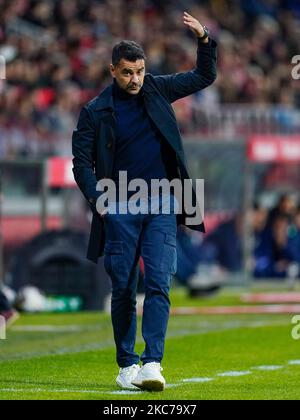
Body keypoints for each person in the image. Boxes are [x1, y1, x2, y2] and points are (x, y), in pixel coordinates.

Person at [72, 12, 217, 392]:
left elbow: (205, 76)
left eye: (139, 71)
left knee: (159, 282)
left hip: (162, 203)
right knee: (123, 286)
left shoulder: (157, 88)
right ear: (112, 71)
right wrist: (98, 198)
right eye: (127, 72)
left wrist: (205, 40)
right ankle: (126, 364)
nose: (135, 79)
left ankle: (152, 362)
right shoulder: (94, 112)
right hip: (119, 203)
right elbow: (80, 163)